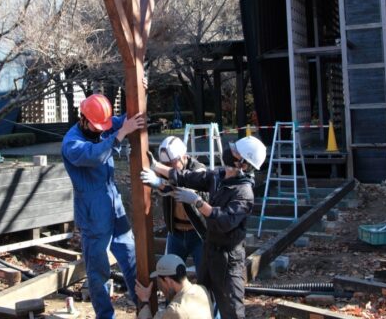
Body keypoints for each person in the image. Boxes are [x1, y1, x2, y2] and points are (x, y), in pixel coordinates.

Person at [141, 136, 267, 319]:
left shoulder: (244, 193)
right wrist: (156, 167)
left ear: (244, 164)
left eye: (235, 152)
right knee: (201, 299)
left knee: (231, 308)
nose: (229, 152)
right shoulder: (219, 176)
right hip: (210, 249)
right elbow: (187, 177)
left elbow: (225, 221)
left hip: (228, 260)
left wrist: (198, 202)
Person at [61, 93, 146, 319]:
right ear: (84, 119)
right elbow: (95, 155)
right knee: (98, 271)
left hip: (113, 203)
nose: (101, 130)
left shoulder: (102, 126)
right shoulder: (72, 143)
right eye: (97, 126)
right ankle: (105, 316)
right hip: (92, 211)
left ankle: (144, 306)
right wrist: (120, 135)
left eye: (104, 127)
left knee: (130, 257)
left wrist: (141, 90)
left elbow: (129, 118)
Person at [150, 136, 206, 274]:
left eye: (171, 163)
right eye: (165, 163)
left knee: (204, 276)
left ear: (184, 157)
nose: (167, 167)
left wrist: (160, 183)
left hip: (198, 233)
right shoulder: (167, 170)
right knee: (169, 275)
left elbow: (185, 188)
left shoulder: (199, 170)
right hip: (176, 233)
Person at [135, 254, 213, 319]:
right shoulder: (202, 290)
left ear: (168, 281)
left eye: (160, 282)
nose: (160, 287)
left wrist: (145, 300)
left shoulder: (175, 310)